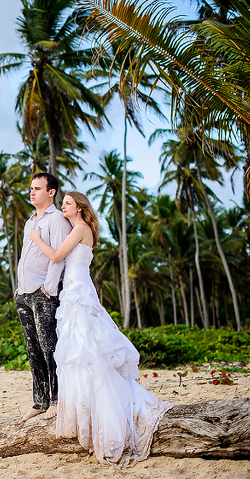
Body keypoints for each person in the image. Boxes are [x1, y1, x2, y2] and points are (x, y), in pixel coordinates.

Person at [29, 191, 173, 466]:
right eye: (63, 203)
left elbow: (57, 256)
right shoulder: (78, 229)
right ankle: (85, 411)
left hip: (78, 290)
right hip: (74, 289)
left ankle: (97, 414)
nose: (63, 207)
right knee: (78, 350)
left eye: (67, 203)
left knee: (86, 349)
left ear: (79, 207)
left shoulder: (80, 228)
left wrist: (36, 239)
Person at [15, 172, 72, 423]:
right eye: (31, 188)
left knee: (50, 348)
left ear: (51, 192)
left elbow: (58, 257)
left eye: (37, 188)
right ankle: (40, 401)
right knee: (33, 349)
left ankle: (57, 399)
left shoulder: (57, 219)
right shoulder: (30, 222)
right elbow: (25, 256)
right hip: (24, 293)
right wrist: (19, 288)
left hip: (43, 292)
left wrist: (49, 289)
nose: (32, 192)